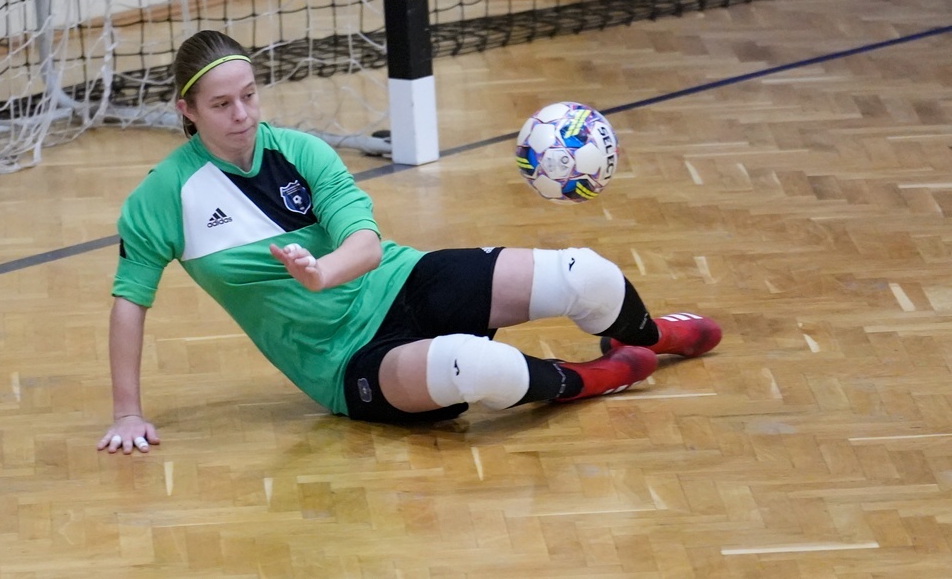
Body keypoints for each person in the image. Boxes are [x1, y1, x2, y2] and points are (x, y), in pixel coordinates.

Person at [98, 30, 721, 454]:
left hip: (403, 281)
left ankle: (649, 335)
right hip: (343, 361)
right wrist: (127, 412)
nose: (242, 114)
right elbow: (130, 301)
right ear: (187, 110)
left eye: (249, 95)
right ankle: (594, 376)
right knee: (479, 368)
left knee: (588, 275)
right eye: (221, 104)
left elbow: (365, 245)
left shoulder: (302, 151)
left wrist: (321, 272)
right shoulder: (163, 197)